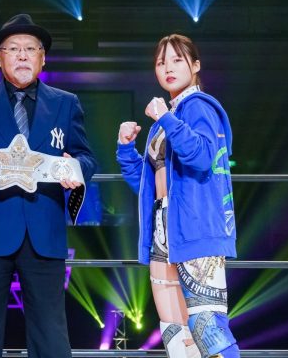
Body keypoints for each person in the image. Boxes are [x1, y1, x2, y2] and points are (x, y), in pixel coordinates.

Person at [0, 14, 97, 358]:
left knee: (51, 334)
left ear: (43, 58)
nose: (22, 55)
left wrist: (73, 169)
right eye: (13, 49)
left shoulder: (66, 103)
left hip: (45, 233)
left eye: (30, 48)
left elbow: (87, 158)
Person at [116, 34, 239, 358]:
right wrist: (126, 149)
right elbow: (146, 184)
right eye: (161, 62)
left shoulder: (198, 106)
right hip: (163, 225)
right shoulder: (166, 119)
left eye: (176, 60)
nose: (168, 68)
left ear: (195, 65)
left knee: (206, 326)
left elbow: (201, 157)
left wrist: (167, 118)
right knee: (174, 328)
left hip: (195, 225)